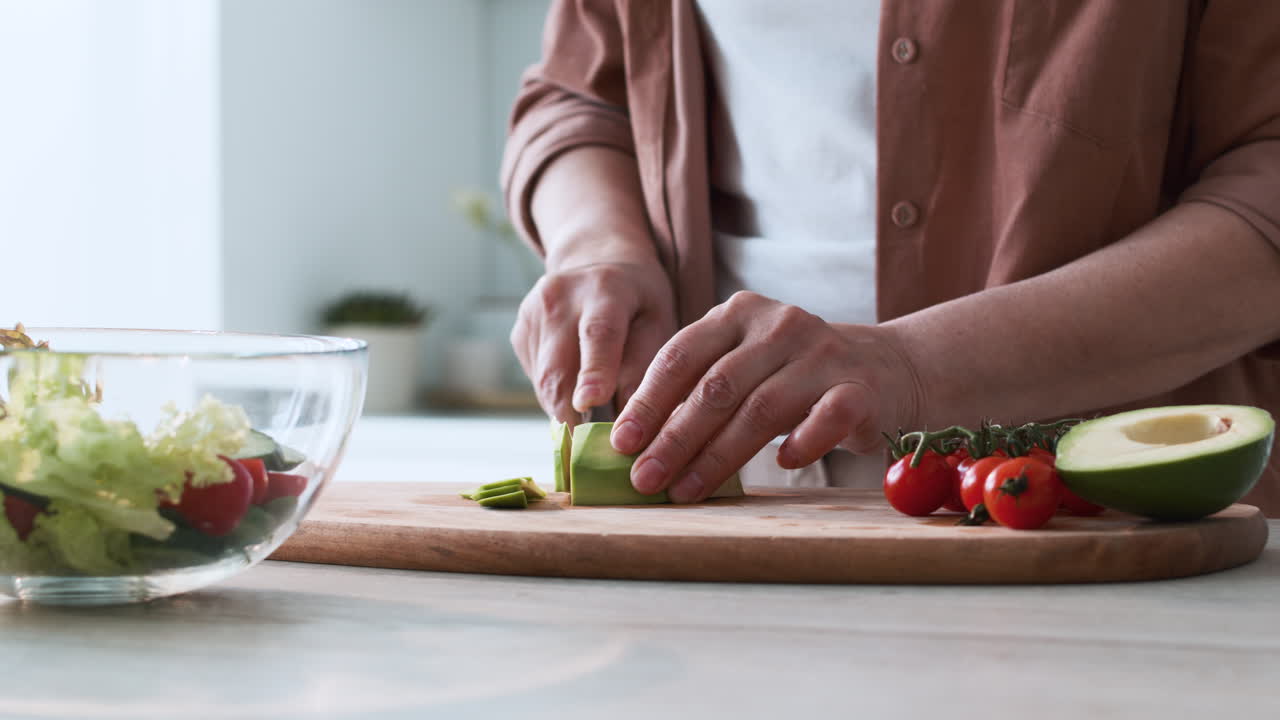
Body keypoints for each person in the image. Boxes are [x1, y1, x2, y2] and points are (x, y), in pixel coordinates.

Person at [501, 1, 1280, 513]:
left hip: (1099, 504)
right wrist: (599, 242)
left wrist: (913, 365)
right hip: (724, 483)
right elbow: (582, 97)